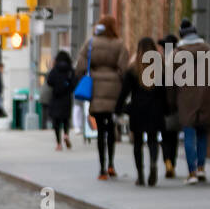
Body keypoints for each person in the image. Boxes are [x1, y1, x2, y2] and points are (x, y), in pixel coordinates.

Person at [74, 15, 130, 180]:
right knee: (111, 129)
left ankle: (102, 169)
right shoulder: (119, 44)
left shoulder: (91, 43)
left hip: (97, 89)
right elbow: (124, 68)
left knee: (100, 131)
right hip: (113, 91)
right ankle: (112, 164)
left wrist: (90, 74)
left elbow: (80, 66)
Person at [171, 19, 210, 184]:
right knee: (203, 134)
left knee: (189, 135)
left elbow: (171, 81)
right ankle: (201, 168)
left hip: (186, 99)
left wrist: (171, 101)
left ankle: (192, 173)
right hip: (206, 97)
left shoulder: (177, 54)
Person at [120, 37, 167, 186]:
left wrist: (118, 108)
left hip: (137, 110)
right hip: (155, 109)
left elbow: (124, 92)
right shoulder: (160, 68)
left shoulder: (133, 69)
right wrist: (167, 109)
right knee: (153, 140)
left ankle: (140, 174)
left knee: (137, 143)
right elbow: (164, 92)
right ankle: (153, 163)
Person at [158, 33, 181, 177]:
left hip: (161, 104)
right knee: (174, 136)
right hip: (176, 104)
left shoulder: (159, 62)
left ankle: (167, 160)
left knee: (165, 136)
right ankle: (172, 161)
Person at [45, 50, 75, 151]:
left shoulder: (55, 69)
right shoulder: (70, 70)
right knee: (66, 119)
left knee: (56, 122)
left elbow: (49, 81)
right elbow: (74, 83)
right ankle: (66, 134)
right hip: (66, 98)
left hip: (56, 98)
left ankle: (58, 144)